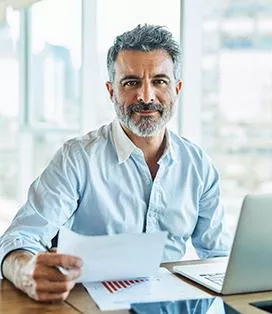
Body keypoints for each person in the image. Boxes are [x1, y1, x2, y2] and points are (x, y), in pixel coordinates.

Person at [0, 24, 230, 302]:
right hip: (87, 304)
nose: (146, 96)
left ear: (177, 89)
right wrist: (23, 269)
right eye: (131, 82)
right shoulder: (77, 158)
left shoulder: (198, 165)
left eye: (159, 81)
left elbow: (218, 256)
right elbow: (20, 238)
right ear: (111, 91)